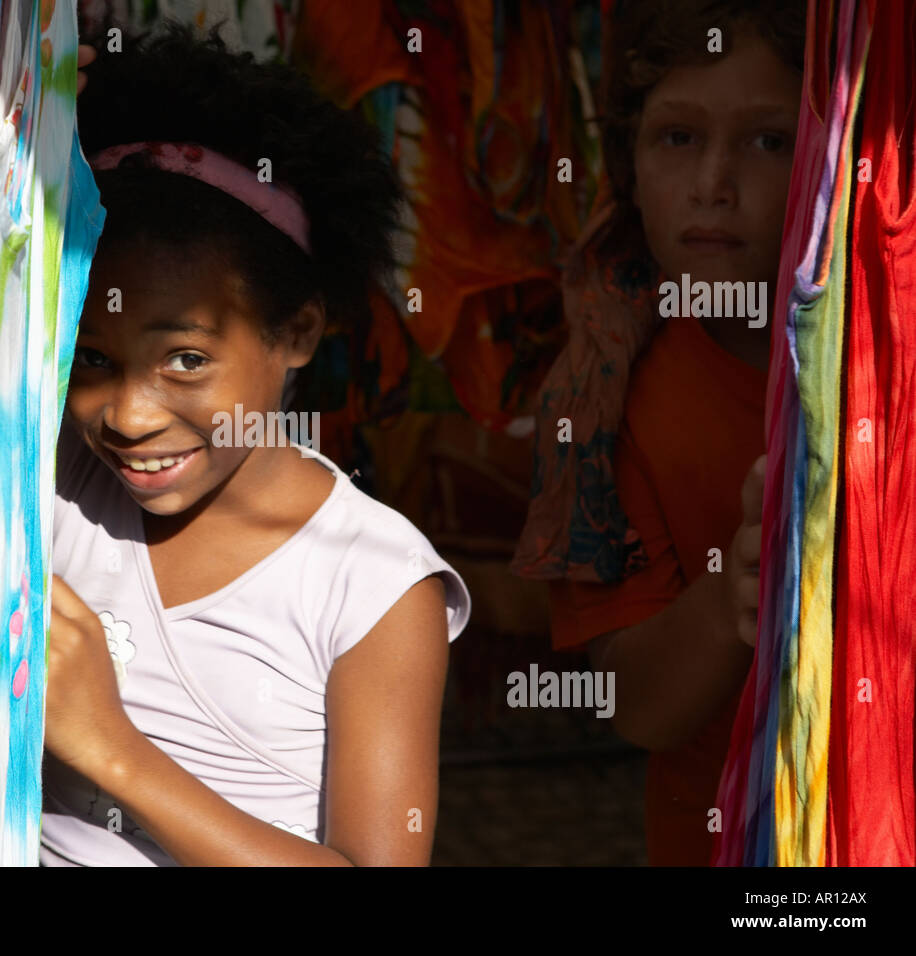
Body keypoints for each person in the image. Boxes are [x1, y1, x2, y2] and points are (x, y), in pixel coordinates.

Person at [39, 22, 471, 866]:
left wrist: (109, 747)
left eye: (188, 359)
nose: (128, 415)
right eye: (91, 357)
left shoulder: (373, 585)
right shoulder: (47, 478)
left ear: (298, 332)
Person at [531, 0, 805, 865]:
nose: (715, 183)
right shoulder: (599, 403)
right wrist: (741, 592)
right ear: (629, 162)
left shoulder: (888, 369)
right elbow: (636, 707)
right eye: (678, 138)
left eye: (770, 141)